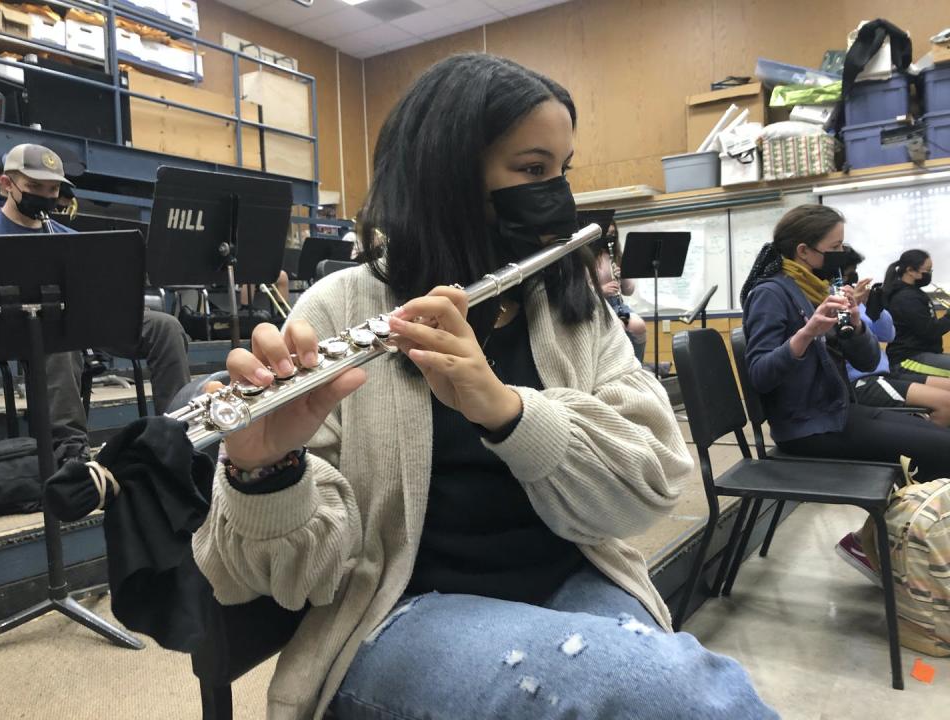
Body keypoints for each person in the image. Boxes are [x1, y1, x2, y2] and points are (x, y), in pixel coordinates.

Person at [192, 54, 778, 720]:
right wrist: (266, 474)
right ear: (445, 177)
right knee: (661, 692)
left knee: (682, 686)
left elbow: (649, 489)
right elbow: (297, 580)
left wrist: (507, 411)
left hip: (570, 579)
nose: (556, 196)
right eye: (532, 170)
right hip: (395, 614)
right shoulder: (337, 308)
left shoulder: (570, 303)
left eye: (563, 171)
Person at [741, 204, 950, 584]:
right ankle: (897, 554)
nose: (841, 255)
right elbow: (758, 375)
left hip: (838, 412)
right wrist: (806, 334)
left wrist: (855, 324)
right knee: (941, 452)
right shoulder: (771, 294)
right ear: (804, 251)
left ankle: (880, 544)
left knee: (940, 439)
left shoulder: (818, 290)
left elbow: (870, 360)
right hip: (808, 429)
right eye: (834, 247)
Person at [0, 143, 192, 449]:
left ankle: (180, 431)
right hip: (13, 328)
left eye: (53, 189)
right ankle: (70, 448)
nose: (45, 196)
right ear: (5, 183)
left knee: (164, 328)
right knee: (58, 334)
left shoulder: (68, 238)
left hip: (79, 322)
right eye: (34, 186)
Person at [842, 246, 950, 426]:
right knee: (946, 403)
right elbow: (928, 330)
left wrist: (873, 308)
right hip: (873, 374)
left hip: (884, 370)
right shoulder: (904, 297)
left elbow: (887, 334)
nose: (853, 277)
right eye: (850, 272)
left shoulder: (859, 300)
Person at [882, 249, 950, 378]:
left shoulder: (914, 293)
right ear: (910, 271)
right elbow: (930, 331)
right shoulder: (906, 297)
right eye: (927, 270)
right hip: (907, 360)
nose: (930, 274)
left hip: (922, 354)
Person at [594, 223, 648, 363]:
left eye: (613, 234)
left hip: (617, 305)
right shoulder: (591, 257)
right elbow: (582, 290)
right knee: (620, 326)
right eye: (607, 233)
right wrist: (602, 290)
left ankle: (638, 366)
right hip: (599, 306)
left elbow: (629, 291)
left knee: (638, 326)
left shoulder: (616, 254)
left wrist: (623, 275)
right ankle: (620, 368)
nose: (610, 237)